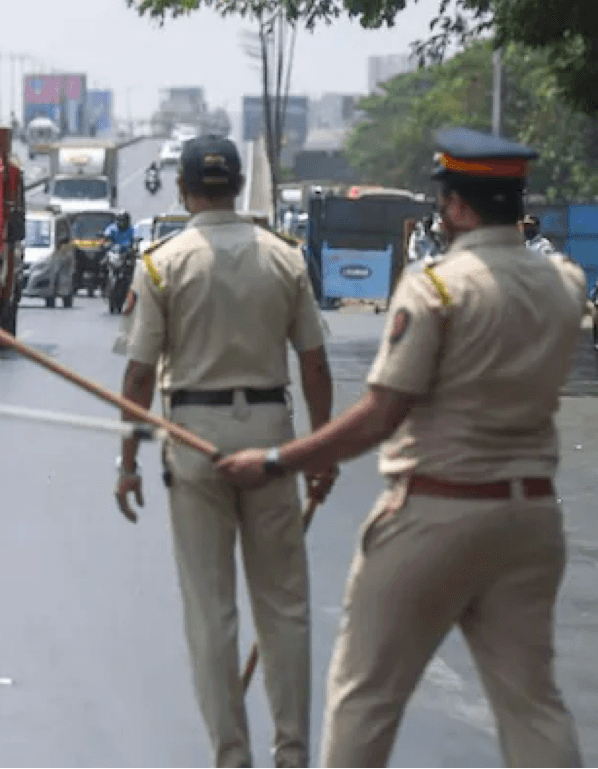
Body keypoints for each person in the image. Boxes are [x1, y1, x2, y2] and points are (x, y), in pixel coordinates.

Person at [217, 127, 588, 769]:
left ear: (458, 208)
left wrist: (281, 460)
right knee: (534, 706)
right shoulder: (565, 284)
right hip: (532, 518)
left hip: (436, 516)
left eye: (445, 204)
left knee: (365, 698)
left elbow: (382, 413)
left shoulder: (436, 289)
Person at [117, 134, 336, 769]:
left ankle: (231, 756)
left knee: (211, 614)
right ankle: (293, 753)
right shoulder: (285, 258)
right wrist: (320, 452)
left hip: (194, 440)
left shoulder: (162, 263)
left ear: (184, 192)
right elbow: (315, 366)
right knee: (285, 609)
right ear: (237, 188)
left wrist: (127, 462)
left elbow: (137, 378)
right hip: (272, 436)